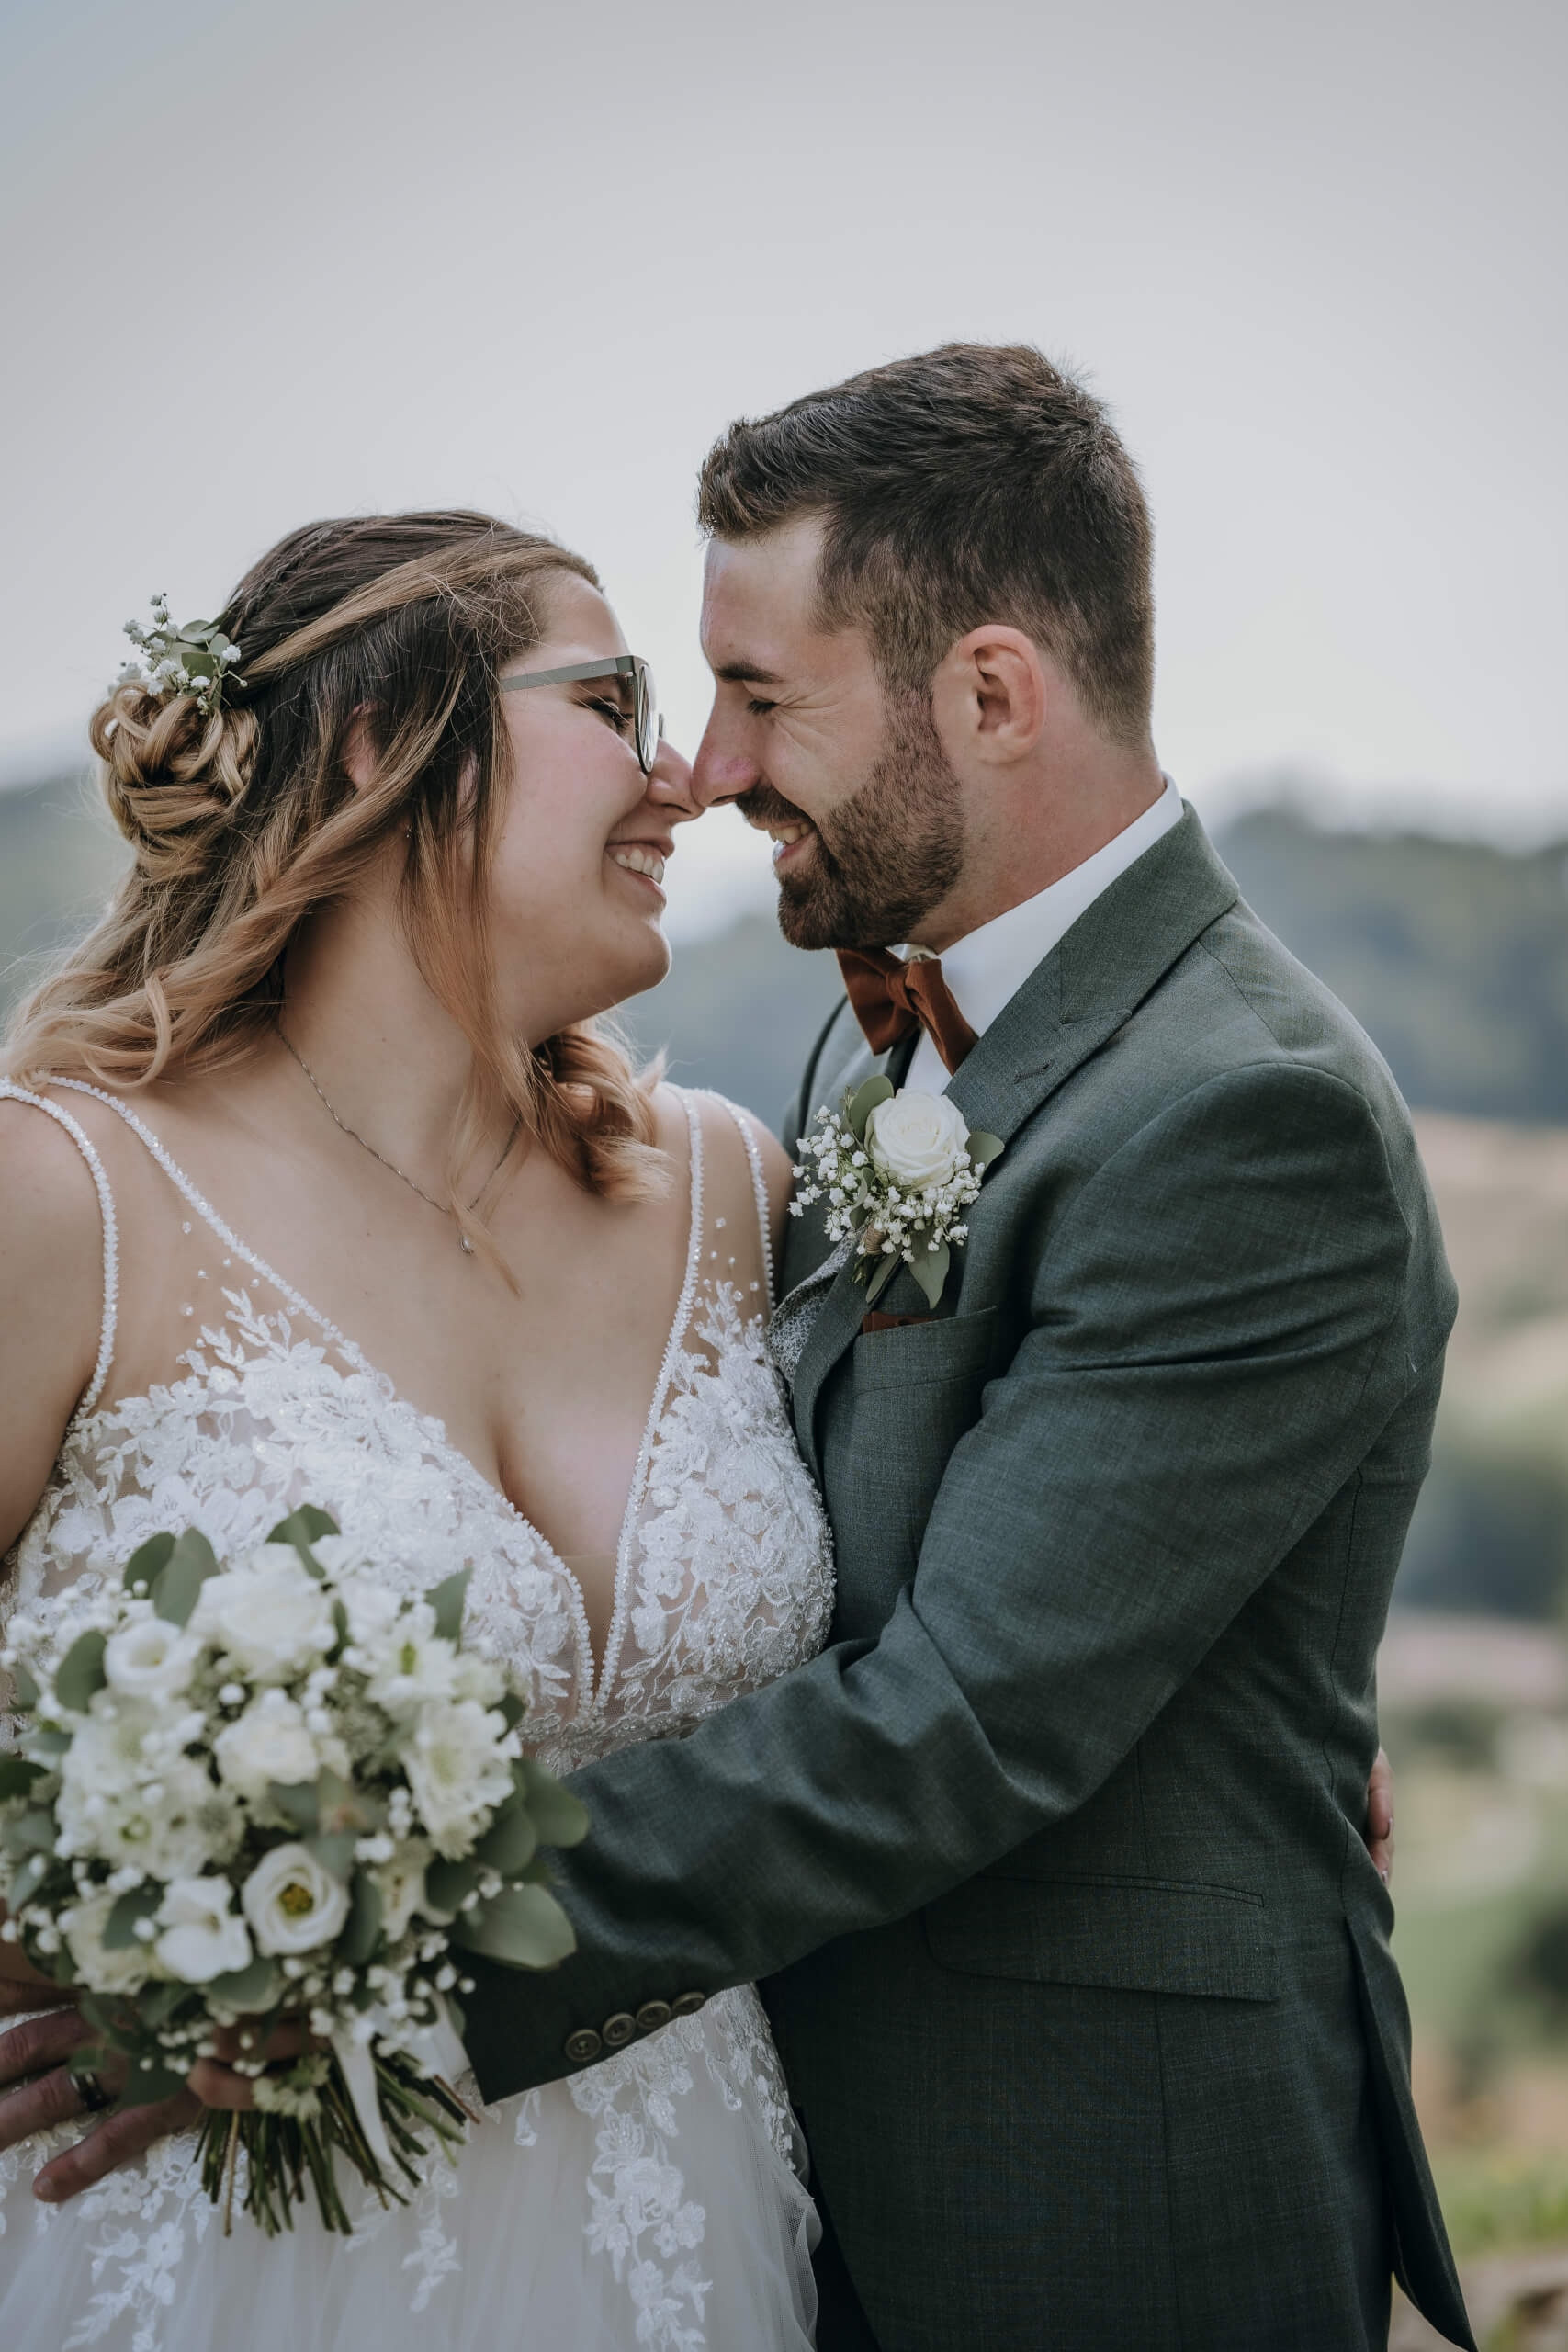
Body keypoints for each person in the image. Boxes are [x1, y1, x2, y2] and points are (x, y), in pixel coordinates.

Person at [218, 348, 1463, 2351]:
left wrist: (393, 1952)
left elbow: (963, 1711)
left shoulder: (1250, 1112)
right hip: (785, 2169)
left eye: (759, 695)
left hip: (1097, 2198)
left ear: (985, 694)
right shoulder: (872, 1036)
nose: (702, 766)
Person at [0, 511, 829, 2348]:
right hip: (208, 2249)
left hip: (692, 2240)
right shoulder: (71, 1197)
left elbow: (952, 1644)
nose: (684, 772)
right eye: (609, 702)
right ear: (381, 738)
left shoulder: (733, 1202)